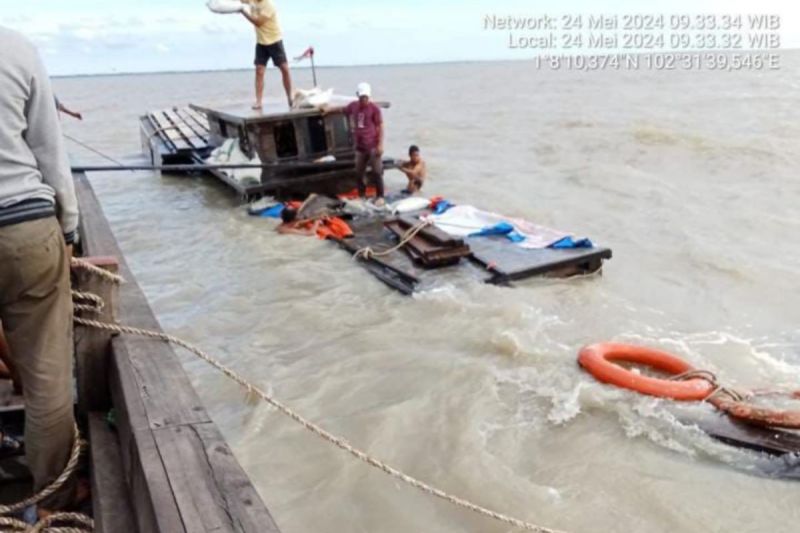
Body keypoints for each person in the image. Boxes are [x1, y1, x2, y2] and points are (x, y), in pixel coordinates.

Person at [0, 27, 80, 515]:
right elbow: (50, 149)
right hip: (25, 227)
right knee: (48, 380)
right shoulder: (18, 49)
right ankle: (53, 501)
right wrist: (68, 226)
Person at [328, 83, 385, 206]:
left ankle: (380, 196)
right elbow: (342, 110)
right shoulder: (353, 106)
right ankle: (362, 195)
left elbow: (380, 125)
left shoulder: (374, 109)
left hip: (372, 146)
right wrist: (328, 110)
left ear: (368, 97)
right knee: (359, 173)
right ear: (358, 96)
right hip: (360, 147)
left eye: (365, 97)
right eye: (361, 97)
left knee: (377, 172)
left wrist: (380, 144)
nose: (363, 99)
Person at [241, 0, 293, 109]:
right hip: (261, 43)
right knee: (259, 71)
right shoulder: (251, 1)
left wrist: (242, 11)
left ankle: (290, 97)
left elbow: (258, 22)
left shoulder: (269, 5)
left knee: (284, 69)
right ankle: (258, 102)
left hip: (274, 40)